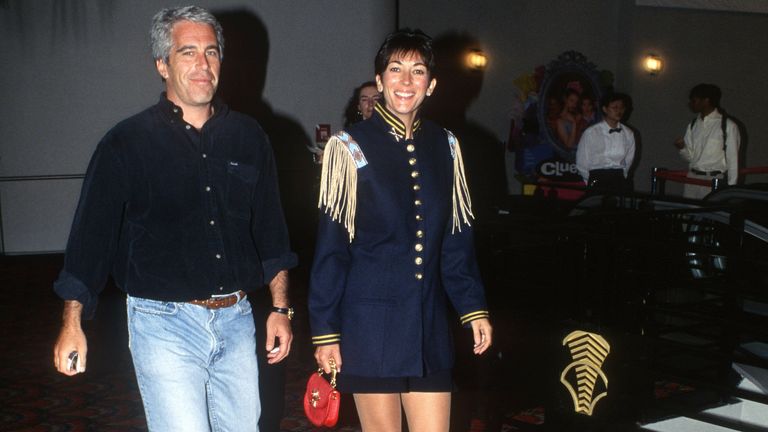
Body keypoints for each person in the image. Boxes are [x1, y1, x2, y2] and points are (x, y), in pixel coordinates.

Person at [52, 6, 297, 431]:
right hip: (163, 324)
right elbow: (90, 240)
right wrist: (72, 322)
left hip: (237, 320)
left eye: (211, 52)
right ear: (162, 65)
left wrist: (280, 308)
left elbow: (271, 231)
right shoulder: (125, 143)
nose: (203, 65)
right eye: (188, 53)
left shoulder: (249, 137)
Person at [309, 29, 493, 432]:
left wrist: (471, 307)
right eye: (395, 69)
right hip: (370, 330)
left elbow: (455, 242)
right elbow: (331, 251)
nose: (406, 82)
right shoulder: (349, 148)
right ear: (379, 81)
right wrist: (325, 332)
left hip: (428, 329)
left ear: (432, 84)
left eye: (417, 71)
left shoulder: (447, 147)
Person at [673, 83, 740, 199]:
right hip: (692, 179)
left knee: (709, 215)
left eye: (694, 101)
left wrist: (731, 189)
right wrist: (682, 148)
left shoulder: (728, 125)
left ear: (706, 101)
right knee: (688, 214)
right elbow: (690, 157)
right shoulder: (693, 125)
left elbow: (732, 159)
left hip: (714, 180)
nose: (690, 104)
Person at [575, 92, 636, 192]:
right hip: (598, 178)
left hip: (619, 179)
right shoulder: (591, 132)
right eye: (615, 107)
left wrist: (622, 177)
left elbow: (629, 160)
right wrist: (591, 181)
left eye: (621, 107)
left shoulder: (628, 133)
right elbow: (582, 162)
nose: (619, 111)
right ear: (605, 109)